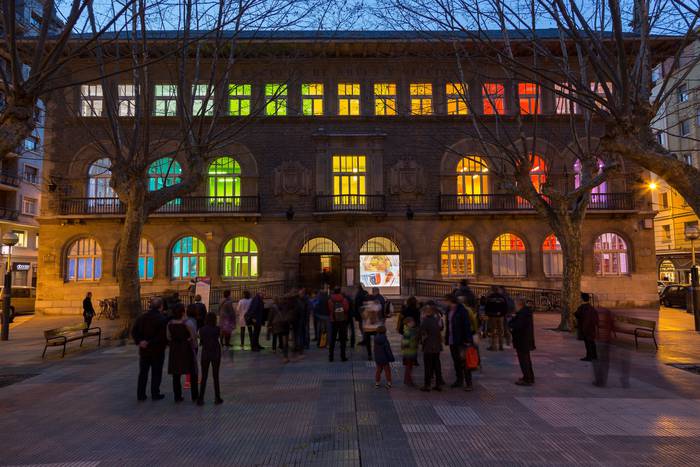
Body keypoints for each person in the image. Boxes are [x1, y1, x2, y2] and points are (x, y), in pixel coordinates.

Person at [132, 297, 167, 401]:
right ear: (161, 307)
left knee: (143, 373)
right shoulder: (162, 319)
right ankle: (155, 393)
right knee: (156, 372)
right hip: (157, 350)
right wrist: (149, 342)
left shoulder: (141, 317)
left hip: (144, 350)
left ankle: (141, 394)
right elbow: (161, 336)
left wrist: (140, 341)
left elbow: (134, 331)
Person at [167, 303, 198, 402]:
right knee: (192, 371)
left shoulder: (170, 323)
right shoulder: (187, 323)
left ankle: (177, 396)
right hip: (186, 348)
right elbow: (193, 336)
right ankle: (195, 395)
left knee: (176, 374)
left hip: (175, 349)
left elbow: (168, 337)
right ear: (182, 312)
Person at [444, 294, 474, 391]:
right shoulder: (449, 310)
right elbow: (449, 325)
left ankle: (469, 383)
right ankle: (459, 380)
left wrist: (468, 340)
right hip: (452, 339)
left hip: (461, 340)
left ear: (451, 301)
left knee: (464, 362)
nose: (445, 303)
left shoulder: (462, 310)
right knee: (456, 361)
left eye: (446, 301)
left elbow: (466, 325)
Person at [508, 297, 535, 386]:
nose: (514, 306)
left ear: (519, 304)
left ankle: (527, 378)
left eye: (515, 304)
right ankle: (529, 377)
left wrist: (511, 325)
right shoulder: (524, 312)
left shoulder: (523, 314)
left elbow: (518, 326)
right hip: (524, 339)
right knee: (526, 359)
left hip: (522, 340)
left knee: (524, 360)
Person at [197, 312, 223, 405]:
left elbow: (201, 340)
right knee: (215, 376)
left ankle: (200, 398)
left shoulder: (201, 330)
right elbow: (220, 337)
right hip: (215, 352)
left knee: (204, 376)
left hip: (205, 353)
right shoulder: (217, 329)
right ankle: (217, 397)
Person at [419, 305, 444, 392]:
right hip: (437, 345)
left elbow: (423, 334)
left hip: (429, 346)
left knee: (428, 366)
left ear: (427, 312)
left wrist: (421, 341)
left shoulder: (425, 321)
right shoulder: (437, 320)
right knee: (437, 365)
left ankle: (427, 385)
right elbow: (441, 328)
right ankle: (438, 384)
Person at [327, 287, 350, 362]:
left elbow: (329, 309)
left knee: (332, 339)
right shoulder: (344, 299)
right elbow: (346, 309)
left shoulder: (330, 300)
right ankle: (343, 356)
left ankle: (331, 357)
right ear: (340, 292)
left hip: (333, 321)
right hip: (342, 321)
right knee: (342, 340)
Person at [574, 293, 599, 361]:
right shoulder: (591, 308)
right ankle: (594, 355)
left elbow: (577, 314)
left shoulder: (582, 307)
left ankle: (589, 356)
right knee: (592, 342)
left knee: (587, 343)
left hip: (585, 327)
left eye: (580, 298)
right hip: (591, 327)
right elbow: (596, 318)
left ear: (582, 299)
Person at [268, 297, 292, 363]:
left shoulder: (273, 307)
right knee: (284, 340)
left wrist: (269, 325)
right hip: (285, 323)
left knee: (275, 336)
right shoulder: (287, 306)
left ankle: (274, 348)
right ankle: (284, 355)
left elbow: (270, 317)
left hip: (276, 324)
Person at [484, 285, 508, 351]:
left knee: (493, 331)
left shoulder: (490, 297)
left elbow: (487, 307)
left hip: (492, 316)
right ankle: (501, 346)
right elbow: (505, 307)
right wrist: (503, 314)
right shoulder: (502, 297)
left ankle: (493, 346)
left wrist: (488, 314)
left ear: (492, 290)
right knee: (501, 331)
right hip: (501, 316)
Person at [401, 317, 418, 386]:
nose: (413, 323)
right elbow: (405, 343)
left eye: (413, 322)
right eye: (411, 322)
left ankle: (408, 380)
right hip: (408, 352)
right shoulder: (407, 331)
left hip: (411, 351)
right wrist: (413, 343)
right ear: (407, 324)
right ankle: (408, 380)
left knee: (410, 367)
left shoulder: (410, 330)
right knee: (408, 367)